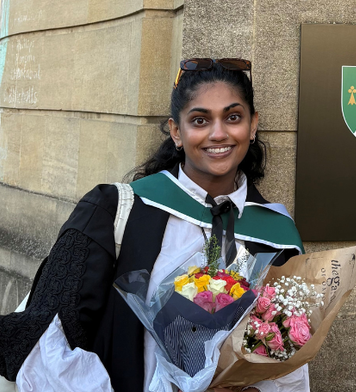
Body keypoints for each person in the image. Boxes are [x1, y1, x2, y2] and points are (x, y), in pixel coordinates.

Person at [0, 58, 309, 392]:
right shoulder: (114, 211)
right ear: (176, 131)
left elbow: (286, 362)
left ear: (252, 125)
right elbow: (45, 342)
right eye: (200, 120)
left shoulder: (277, 236)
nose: (218, 133)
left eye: (233, 117)